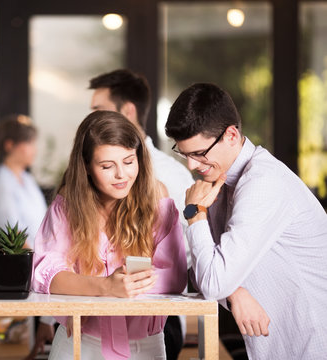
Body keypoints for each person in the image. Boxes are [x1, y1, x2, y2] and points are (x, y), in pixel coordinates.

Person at [165, 83, 327, 359]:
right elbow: (202, 273)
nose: (191, 166)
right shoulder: (219, 184)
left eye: (199, 153)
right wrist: (235, 293)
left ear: (231, 135)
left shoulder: (263, 184)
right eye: (184, 154)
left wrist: (194, 212)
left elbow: (213, 281)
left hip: (311, 346)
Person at [32, 110, 187, 360]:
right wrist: (106, 286)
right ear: (87, 167)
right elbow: (45, 274)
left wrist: (124, 285)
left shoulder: (158, 200)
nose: (121, 175)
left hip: (145, 348)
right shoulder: (67, 205)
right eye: (107, 166)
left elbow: (173, 277)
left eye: (128, 161)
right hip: (77, 344)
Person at [89, 69, 194, 359]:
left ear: (128, 110)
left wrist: (133, 281)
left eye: (98, 109)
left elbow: (184, 253)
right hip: (94, 313)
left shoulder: (170, 174)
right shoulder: (87, 178)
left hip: (157, 316)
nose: (91, 119)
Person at [0, 114, 47, 248]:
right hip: (26, 261)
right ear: (9, 145)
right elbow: (13, 235)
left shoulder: (28, 179)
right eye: (29, 143)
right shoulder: (1, 184)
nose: (34, 150)